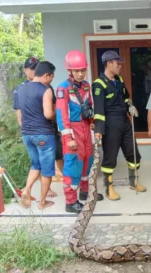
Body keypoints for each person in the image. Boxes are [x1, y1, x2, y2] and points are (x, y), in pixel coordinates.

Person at [92, 50, 146, 201]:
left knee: (133, 153)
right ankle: (109, 188)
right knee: (110, 157)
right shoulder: (98, 84)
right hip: (110, 124)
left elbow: (126, 96)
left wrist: (130, 106)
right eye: (117, 63)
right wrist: (99, 130)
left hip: (124, 121)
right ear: (109, 64)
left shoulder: (119, 79)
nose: (120, 66)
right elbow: (99, 109)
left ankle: (133, 182)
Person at [56, 50, 103, 214]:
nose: (81, 73)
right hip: (73, 131)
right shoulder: (62, 88)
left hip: (85, 130)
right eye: (77, 70)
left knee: (87, 163)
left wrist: (92, 124)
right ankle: (71, 202)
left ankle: (85, 192)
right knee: (72, 166)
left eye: (83, 70)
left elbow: (89, 107)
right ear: (69, 71)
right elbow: (61, 115)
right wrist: (68, 137)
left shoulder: (86, 86)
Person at [13, 57, 63, 197]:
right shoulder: (45, 89)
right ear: (46, 75)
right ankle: (42, 202)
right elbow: (48, 114)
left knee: (36, 164)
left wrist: (26, 129)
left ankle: (26, 191)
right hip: (43, 133)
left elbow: (20, 113)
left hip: (27, 133)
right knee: (47, 169)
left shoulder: (20, 89)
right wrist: (56, 113)